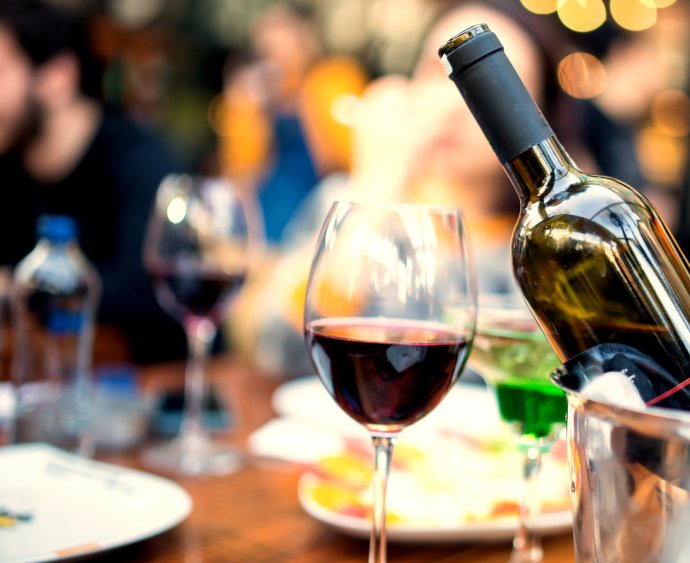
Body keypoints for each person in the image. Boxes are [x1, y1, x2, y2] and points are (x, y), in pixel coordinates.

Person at [228, 0, 593, 376]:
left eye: (489, 86)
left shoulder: (547, 250)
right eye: (439, 73)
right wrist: (374, 189)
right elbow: (273, 347)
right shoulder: (349, 199)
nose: (454, 104)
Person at [0, 0, 184, 363]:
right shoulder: (8, 162)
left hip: (148, 383)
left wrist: (16, 289)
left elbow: (148, 296)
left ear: (57, 78)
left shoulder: (138, 161)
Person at [216, 4, 367, 244]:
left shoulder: (334, 79)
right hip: (265, 209)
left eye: (282, 32)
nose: (275, 47)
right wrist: (249, 112)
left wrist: (306, 98)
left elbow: (345, 163)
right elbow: (240, 175)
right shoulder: (254, 100)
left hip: (316, 208)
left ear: (306, 37)